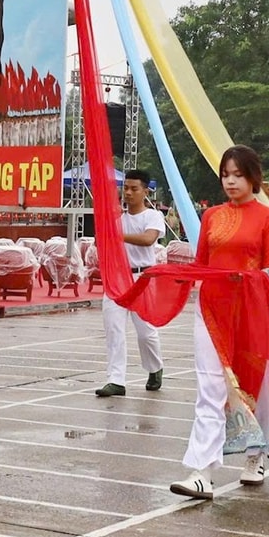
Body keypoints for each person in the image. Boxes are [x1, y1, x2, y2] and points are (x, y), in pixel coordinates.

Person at [170, 145, 269, 495]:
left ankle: (255, 455)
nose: (230, 181)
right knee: (210, 388)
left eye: (238, 175)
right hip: (212, 308)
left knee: (254, 386)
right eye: (225, 175)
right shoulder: (212, 216)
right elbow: (203, 262)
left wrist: (251, 278)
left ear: (253, 177)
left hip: (250, 310)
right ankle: (201, 471)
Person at [96, 169, 166, 398]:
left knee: (146, 332)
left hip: (142, 279)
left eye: (134, 189)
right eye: (125, 188)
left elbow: (148, 240)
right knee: (114, 330)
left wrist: (116, 235)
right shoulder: (117, 221)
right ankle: (116, 380)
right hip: (118, 279)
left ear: (146, 191)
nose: (128, 193)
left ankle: (155, 368)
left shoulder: (153, 217)